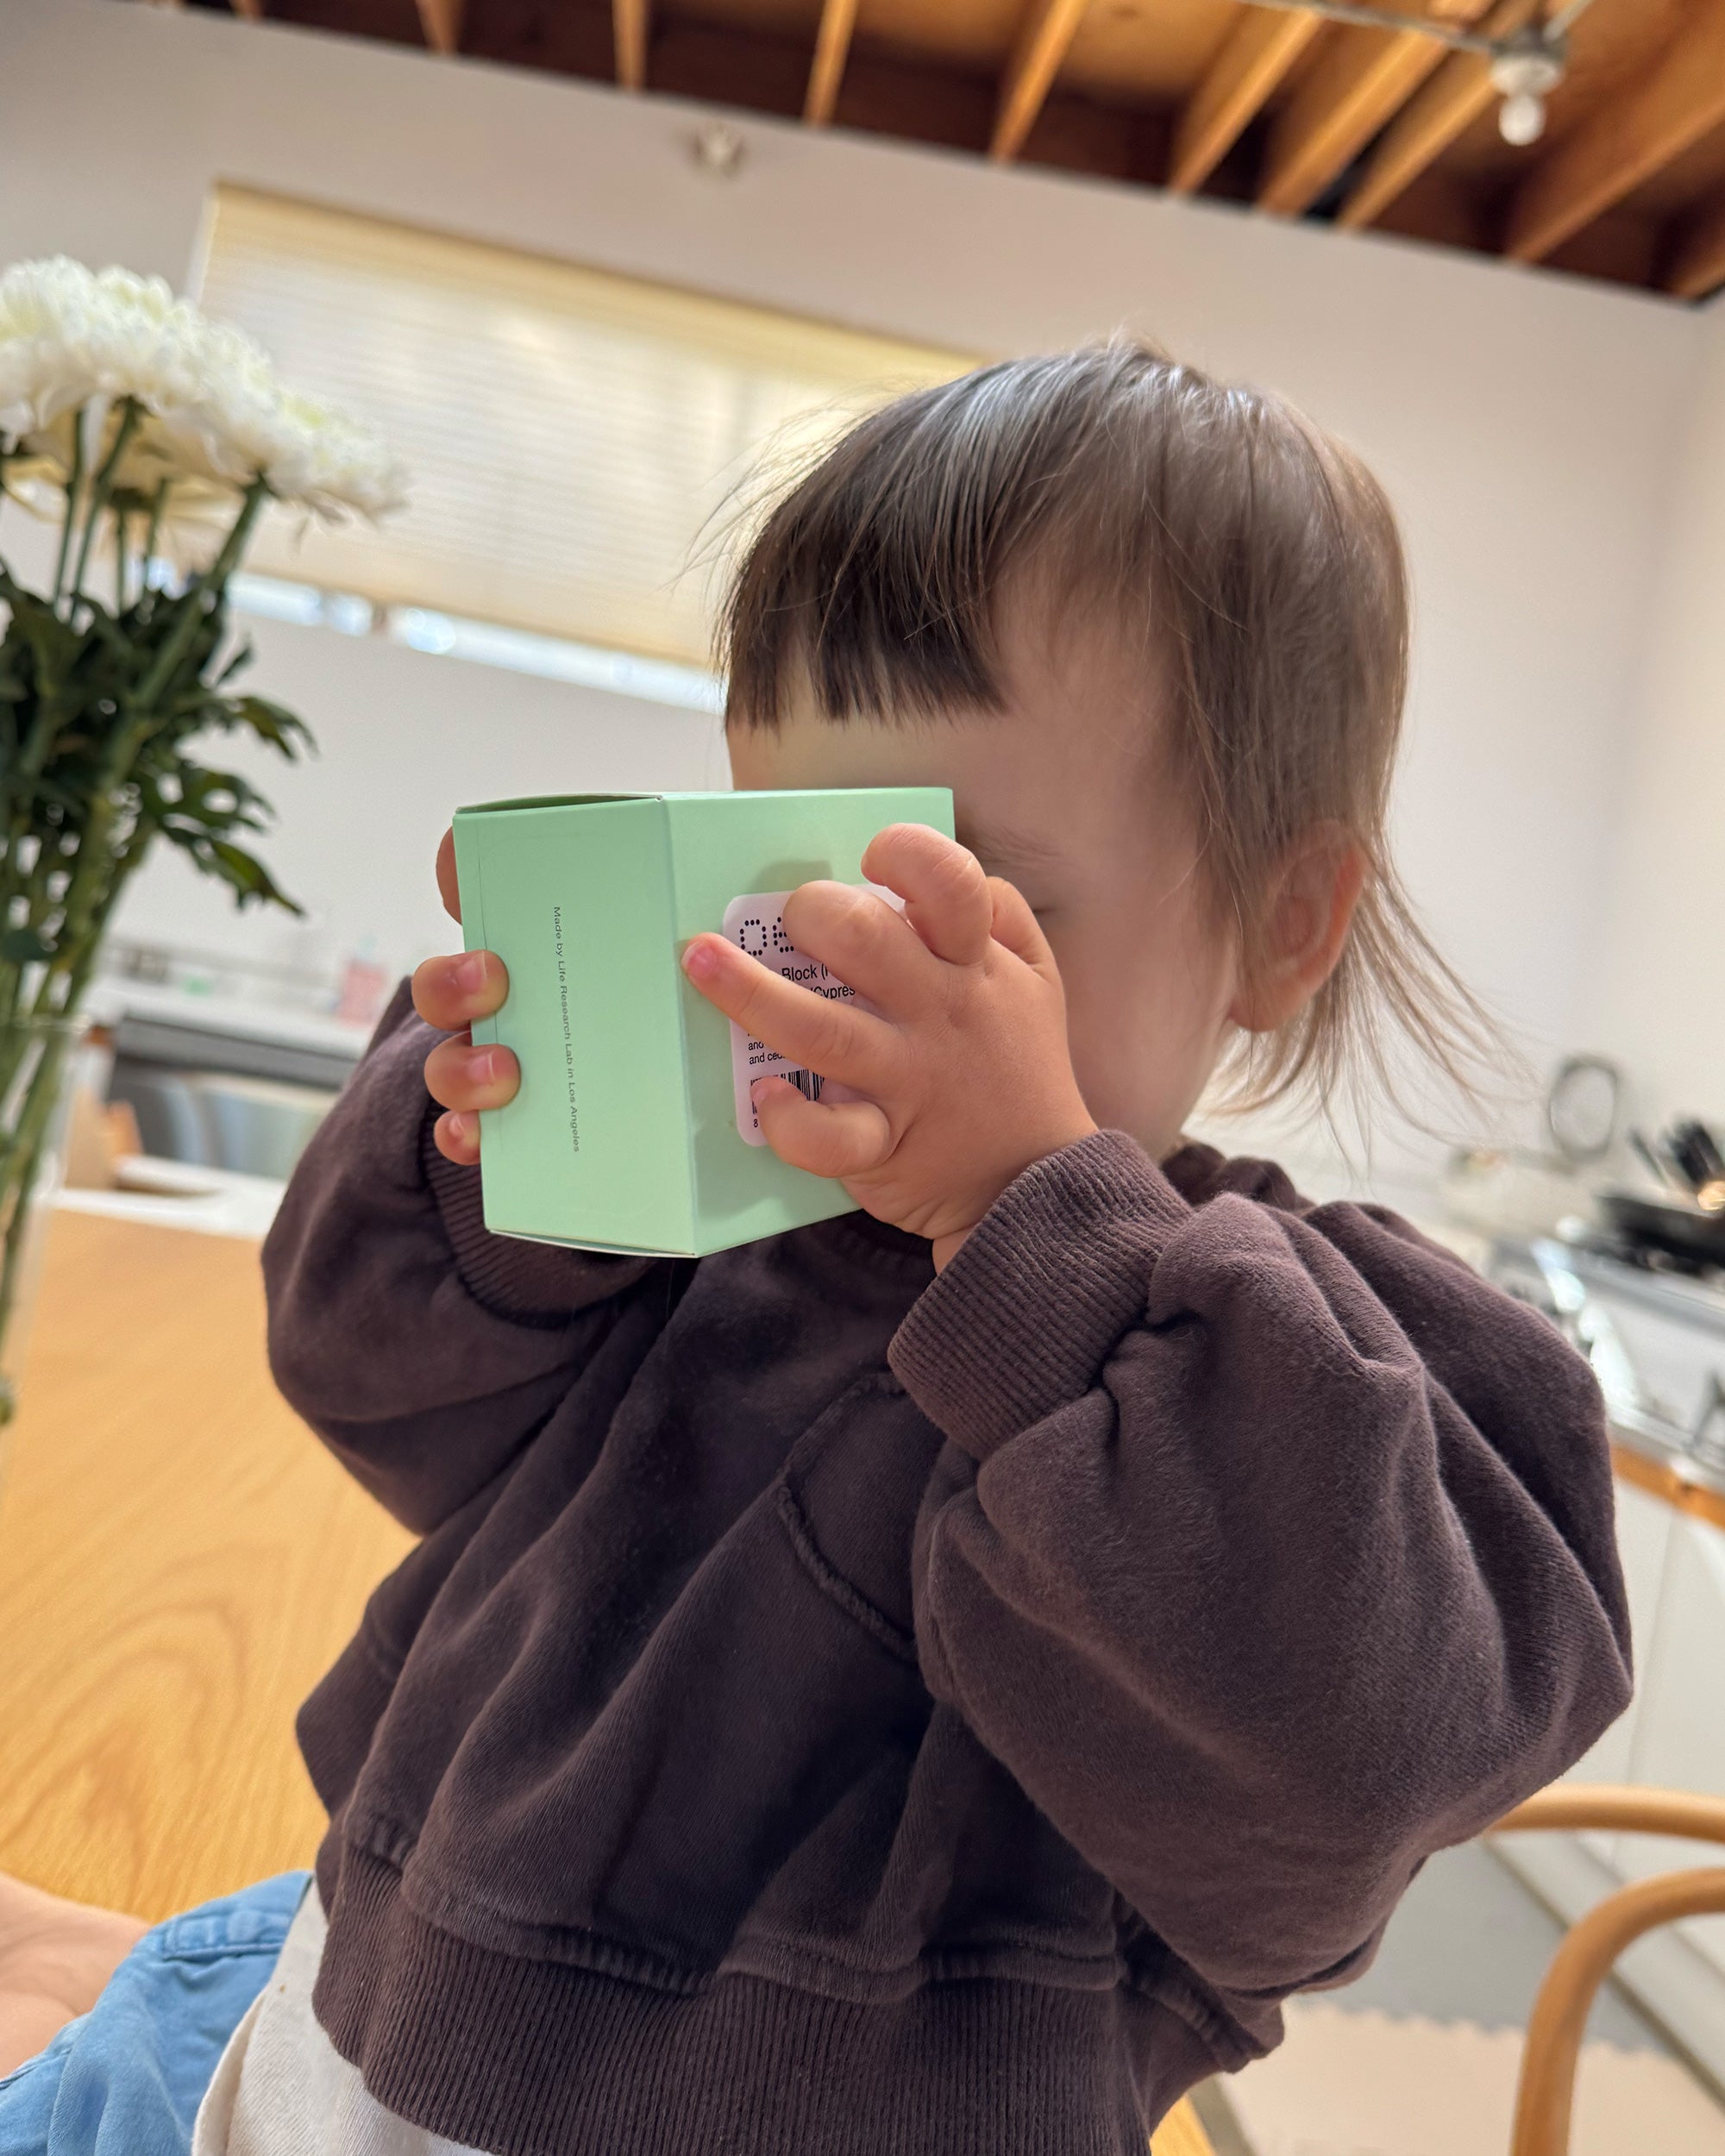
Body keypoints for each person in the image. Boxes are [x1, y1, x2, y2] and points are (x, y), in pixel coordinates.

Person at [0, 342, 1631, 2155]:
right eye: (779, 884)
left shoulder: (1309, 1356)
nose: (830, 985)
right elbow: (379, 1388)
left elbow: (1358, 1764)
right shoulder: (725, 1199)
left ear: (1281, 916)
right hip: (339, 2021)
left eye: (948, 905)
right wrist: (487, 1137)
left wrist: (1039, 1235)